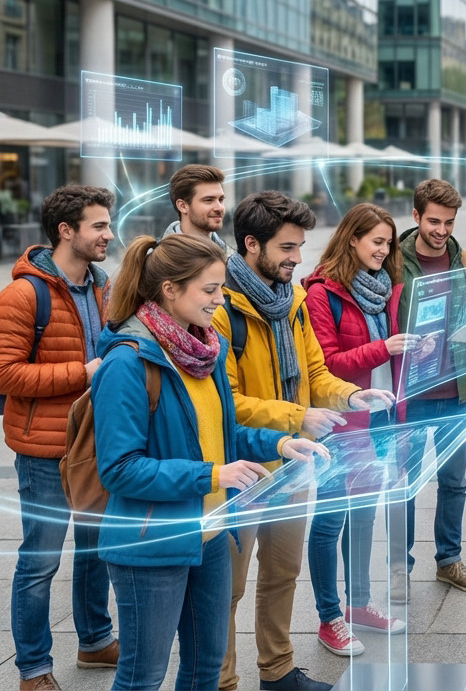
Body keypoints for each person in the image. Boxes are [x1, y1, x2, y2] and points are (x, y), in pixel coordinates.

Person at [93, 234, 327, 690]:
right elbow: (119, 468)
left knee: (205, 668)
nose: (219, 300)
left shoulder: (206, 349)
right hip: (152, 543)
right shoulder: (128, 360)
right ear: (170, 290)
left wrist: (280, 444)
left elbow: (221, 435)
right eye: (210, 290)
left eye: (220, 288)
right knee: (143, 675)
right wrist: (214, 475)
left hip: (214, 534)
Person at [214, 191, 393, 691]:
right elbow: (227, 402)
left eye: (300, 247)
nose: (297, 259)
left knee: (282, 573)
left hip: (294, 464)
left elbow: (315, 371)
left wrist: (352, 396)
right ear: (252, 244)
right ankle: (222, 680)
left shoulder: (291, 301)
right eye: (287, 248)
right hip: (243, 470)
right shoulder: (222, 308)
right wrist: (299, 416)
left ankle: (276, 670)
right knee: (227, 588)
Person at [0, 186, 118, 691]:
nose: (108, 234)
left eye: (108, 225)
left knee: (95, 551)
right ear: (66, 231)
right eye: (98, 226)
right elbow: (7, 374)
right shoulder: (24, 294)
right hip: (44, 448)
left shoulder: (102, 285)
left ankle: (93, 641)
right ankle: (33, 668)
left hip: (96, 442)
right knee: (40, 560)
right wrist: (85, 373)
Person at [302, 204, 420, 656]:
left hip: (381, 420)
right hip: (342, 424)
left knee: (365, 517)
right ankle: (329, 617)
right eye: (376, 241)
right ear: (351, 239)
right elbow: (326, 365)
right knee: (330, 522)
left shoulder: (385, 287)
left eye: (389, 243)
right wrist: (381, 348)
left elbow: (388, 355)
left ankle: (359, 606)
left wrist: (410, 349)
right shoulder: (321, 294)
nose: (384, 250)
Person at [396, 179, 466, 598]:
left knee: (454, 483)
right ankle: (398, 568)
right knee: (404, 485)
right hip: (411, 395)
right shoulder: (391, 264)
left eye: (449, 223)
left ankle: (449, 561)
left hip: (457, 392)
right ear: (416, 215)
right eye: (434, 221)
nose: (441, 231)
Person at [163, 163, 230, 252]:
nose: (219, 208)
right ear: (182, 206)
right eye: (208, 200)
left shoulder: (231, 260)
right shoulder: (157, 262)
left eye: (221, 200)